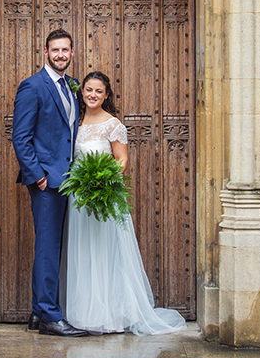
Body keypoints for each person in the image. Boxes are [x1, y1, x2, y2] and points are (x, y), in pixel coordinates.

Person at [60, 71, 187, 336]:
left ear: (106, 95)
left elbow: (121, 160)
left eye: (98, 91)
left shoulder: (113, 124)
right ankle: (84, 312)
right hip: (79, 199)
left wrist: (102, 183)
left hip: (104, 197)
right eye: (89, 90)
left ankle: (110, 315)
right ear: (82, 92)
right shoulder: (75, 121)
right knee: (83, 252)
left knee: (106, 254)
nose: (93, 95)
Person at [12, 29, 88, 337]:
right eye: (55, 50)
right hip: (48, 183)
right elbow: (20, 136)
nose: (60, 55)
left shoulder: (71, 87)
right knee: (47, 248)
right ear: (45, 53)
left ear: (72, 53)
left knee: (53, 247)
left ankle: (36, 312)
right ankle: (49, 316)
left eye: (65, 50)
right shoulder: (32, 86)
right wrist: (39, 177)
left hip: (68, 180)